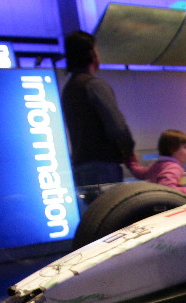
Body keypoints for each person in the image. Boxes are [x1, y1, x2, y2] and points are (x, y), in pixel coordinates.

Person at [61, 30, 135, 187]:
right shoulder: (94, 85)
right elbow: (117, 127)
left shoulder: (68, 88)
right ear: (91, 54)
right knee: (112, 210)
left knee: (95, 210)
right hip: (103, 167)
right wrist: (129, 153)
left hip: (80, 166)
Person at [126, 130, 186, 198]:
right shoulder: (173, 167)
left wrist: (131, 161)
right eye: (185, 147)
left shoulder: (158, 164)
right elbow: (167, 189)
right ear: (172, 149)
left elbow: (140, 173)